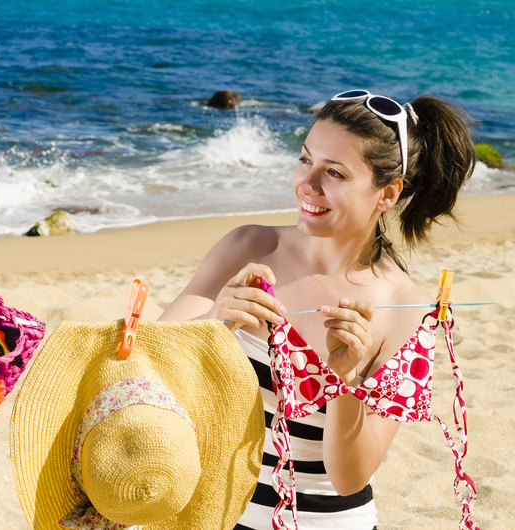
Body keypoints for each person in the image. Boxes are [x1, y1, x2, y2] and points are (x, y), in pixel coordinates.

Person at [159, 90, 476, 529]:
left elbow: (349, 478)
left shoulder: (406, 309)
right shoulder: (248, 246)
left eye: (335, 173)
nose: (307, 184)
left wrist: (345, 383)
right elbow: (145, 364)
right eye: (305, 159)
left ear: (387, 193)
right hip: (207, 513)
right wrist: (214, 323)